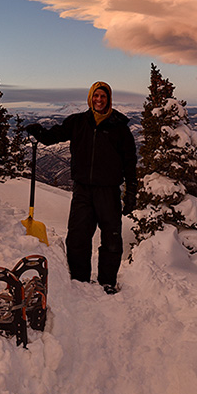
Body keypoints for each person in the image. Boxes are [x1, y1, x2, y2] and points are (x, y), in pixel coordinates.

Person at [26, 82, 137, 294]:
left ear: (109, 99)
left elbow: (130, 162)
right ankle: (79, 281)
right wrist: (39, 132)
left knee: (111, 238)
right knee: (77, 236)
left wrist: (131, 191)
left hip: (109, 191)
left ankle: (107, 282)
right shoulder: (78, 122)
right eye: (96, 96)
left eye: (103, 96)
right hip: (83, 190)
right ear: (90, 98)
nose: (99, 100)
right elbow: (54, 136)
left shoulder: (119, 127)